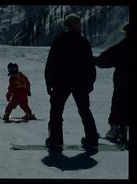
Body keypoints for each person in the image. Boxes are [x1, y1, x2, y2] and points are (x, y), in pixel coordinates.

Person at [44, 13, 98, 151]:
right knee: (84, 110)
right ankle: (92, 140)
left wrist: (49, 82)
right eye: (78, 23)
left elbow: (51, 63)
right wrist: (90, 83)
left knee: (56, 111)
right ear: (74, 24)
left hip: (61, 82)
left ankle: (55, 140)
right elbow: (90, 66)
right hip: (80, 83)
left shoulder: (59, 40)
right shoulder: (83, 42)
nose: (80, 26)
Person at [94, 23, 129, 144]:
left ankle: (117, 130)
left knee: (119, 105)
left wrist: (93, 59)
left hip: (123, 83)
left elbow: (105, 60)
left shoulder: (123, 46)